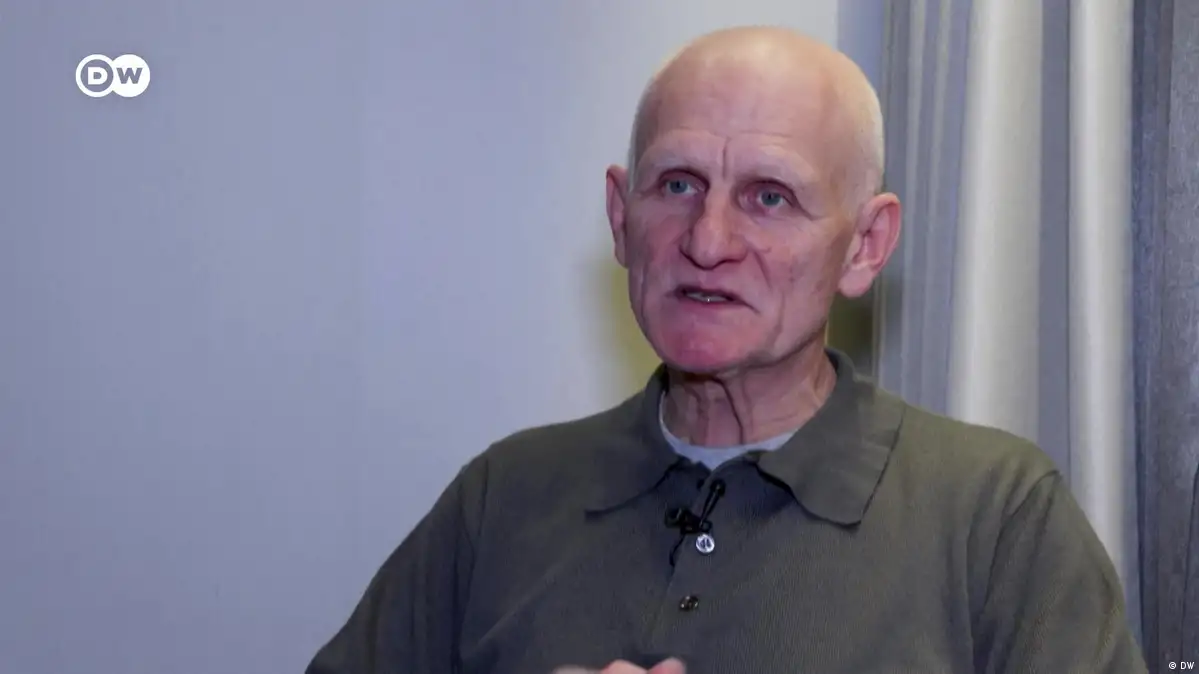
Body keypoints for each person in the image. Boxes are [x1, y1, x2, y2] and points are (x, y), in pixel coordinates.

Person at [305, 26, 1148, 674]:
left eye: (768, 197)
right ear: (619, 218)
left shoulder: (994, 519)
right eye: (676, 184)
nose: (706, 241)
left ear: (864, 246)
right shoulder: (503, 498)